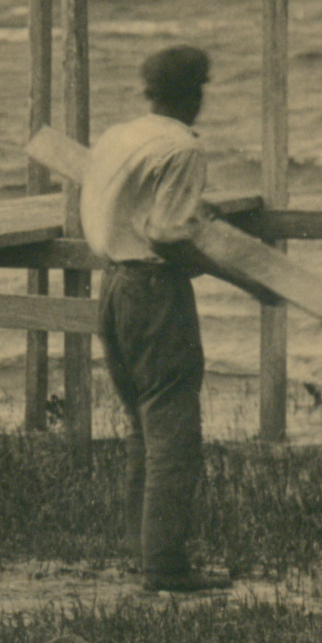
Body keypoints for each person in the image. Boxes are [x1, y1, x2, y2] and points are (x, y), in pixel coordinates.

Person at [81, 43, 232, 594]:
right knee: (172, 428)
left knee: (142, 427)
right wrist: (232, 273)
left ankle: (142, 555)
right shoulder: (183, 148)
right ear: (194, 95)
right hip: (153, 288)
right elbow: (168, 233)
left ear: (149, 92)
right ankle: (165, 567)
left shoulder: (118, 137)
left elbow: (134, 208)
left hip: (113, 287)